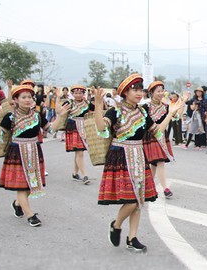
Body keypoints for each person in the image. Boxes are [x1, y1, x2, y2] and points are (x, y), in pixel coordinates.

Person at [94, 74, 184, 252]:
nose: (139, 93)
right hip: (120, 156)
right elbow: (101, 128)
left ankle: (132, 237)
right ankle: (117, 224)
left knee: (138, 199)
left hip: (138, 155)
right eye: (134, 90)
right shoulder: (116, 111)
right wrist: (98, 107)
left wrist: (171, 113)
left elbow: (157, 131)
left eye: (140, 90)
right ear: (125, 92)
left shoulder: (143, 112)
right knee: (133, 200)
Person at [0, 84, 64, 226]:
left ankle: (17, 204)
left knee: (30, 185)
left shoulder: (37, 115)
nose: (27, 100)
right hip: (17, 153)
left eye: (29, 97)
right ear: (16, 99)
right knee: (22, 186)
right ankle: (30, 215)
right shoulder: (10, 117)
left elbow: (50, 130)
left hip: (34, 151)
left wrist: (60, 116)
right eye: (23, 97)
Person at [143, 81, 175, 198]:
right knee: (156, 162)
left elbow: (177, 115)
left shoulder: (166, 107)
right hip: (150, 136)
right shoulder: (145, 107)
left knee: (157, 162)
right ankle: (163, 188)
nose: (161, 93)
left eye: (162, 91)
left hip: (162, 136)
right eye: (158, 91)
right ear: (151, 93)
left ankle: (155, 187)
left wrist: (183, 101)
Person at [63, 85, 94, 185]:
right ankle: (85, 175)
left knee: (79, 152)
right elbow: (60, 111)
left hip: (83, 127)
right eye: (76, 93)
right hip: (73, 127)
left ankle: (75, 173)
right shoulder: (69, 103)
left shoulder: (87, 103)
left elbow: (96, 110)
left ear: (83, 94)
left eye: (80, 93)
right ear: (72, 94)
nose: (78, 95)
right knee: (79, 152)